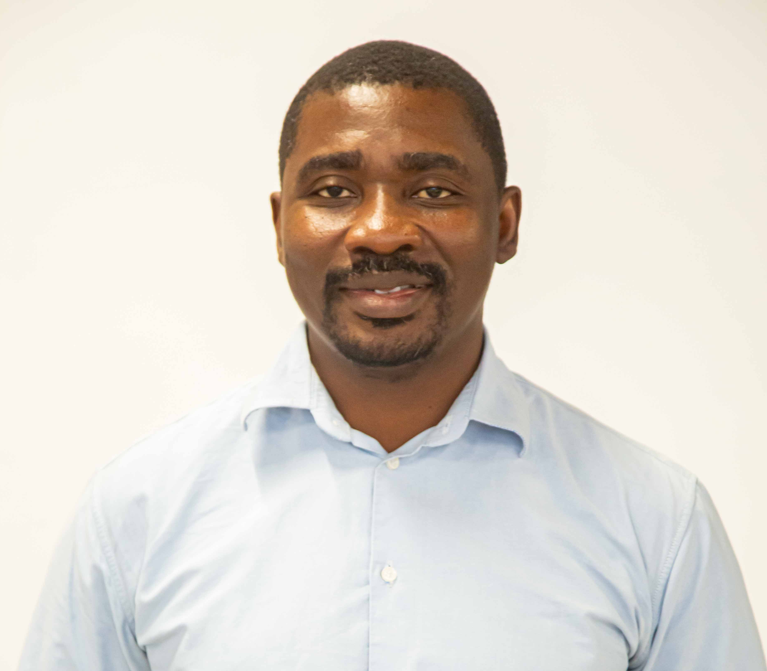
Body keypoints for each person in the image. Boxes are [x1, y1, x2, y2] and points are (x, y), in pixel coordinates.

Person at [19, 40, 765, 671]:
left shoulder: (655, 519)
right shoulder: (139, 510)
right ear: (279, 225)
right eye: (333, 190)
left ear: (505, 224)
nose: (380, 230)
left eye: (433, 190)